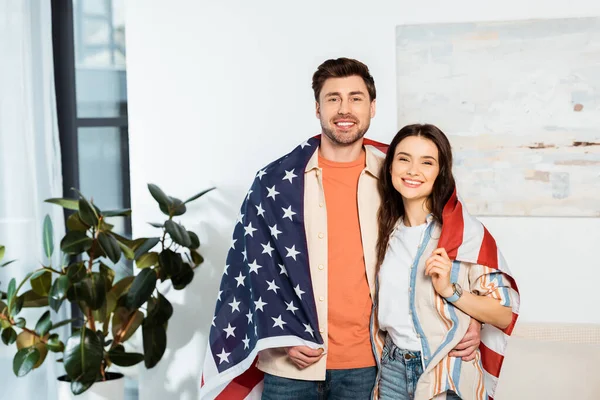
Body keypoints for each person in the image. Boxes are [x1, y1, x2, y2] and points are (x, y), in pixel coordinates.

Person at [200, 59, 481, 400]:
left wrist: (471, 317)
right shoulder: (275, 182)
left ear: (372, 107)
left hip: (369, 365)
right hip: (290, 367)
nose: (344, 109)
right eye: (333, 98)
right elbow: (253, 269)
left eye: (355, 98)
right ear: (317, 107)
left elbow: (449, 244)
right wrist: (282, 333)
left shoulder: (399, 176)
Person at [373, 124, 519, 400]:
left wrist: (451, 291)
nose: (413, 170)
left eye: (426, 162)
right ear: (390, 166)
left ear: (440, 172)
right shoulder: (384, 231)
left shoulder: (465, 233)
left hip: (443, 370)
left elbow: (504, 314)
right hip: (391, 369)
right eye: (404, 159)